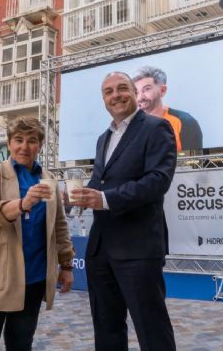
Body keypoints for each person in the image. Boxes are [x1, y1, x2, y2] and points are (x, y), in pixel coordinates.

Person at [70, 72, 177, 351]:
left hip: (138, 247)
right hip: (101, 248)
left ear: (134, 93)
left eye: (121, 89)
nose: (115, 95)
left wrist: (104, 199)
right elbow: (99, 183)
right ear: (104, 99)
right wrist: (75, 197)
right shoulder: (103, 138)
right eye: (108, 92)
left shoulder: (157, 128)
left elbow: (158, 181)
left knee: (151, 329)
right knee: (106, 328)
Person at [0, 116, 75, 351]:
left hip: (32, 279)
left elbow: (59, 226)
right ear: (9, 143)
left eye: (32, 141)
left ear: (40, 146)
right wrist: (22, 204)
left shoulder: (48, 179)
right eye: (18, 140)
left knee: (21, 345)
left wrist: (66, 265)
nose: (24, 146)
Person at [133, 66, 202, 151]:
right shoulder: (131, 126)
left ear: (163, 90)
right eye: (136, 92)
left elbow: (194, 162)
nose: (140, 97)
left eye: (146, 89)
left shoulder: (185, 121)